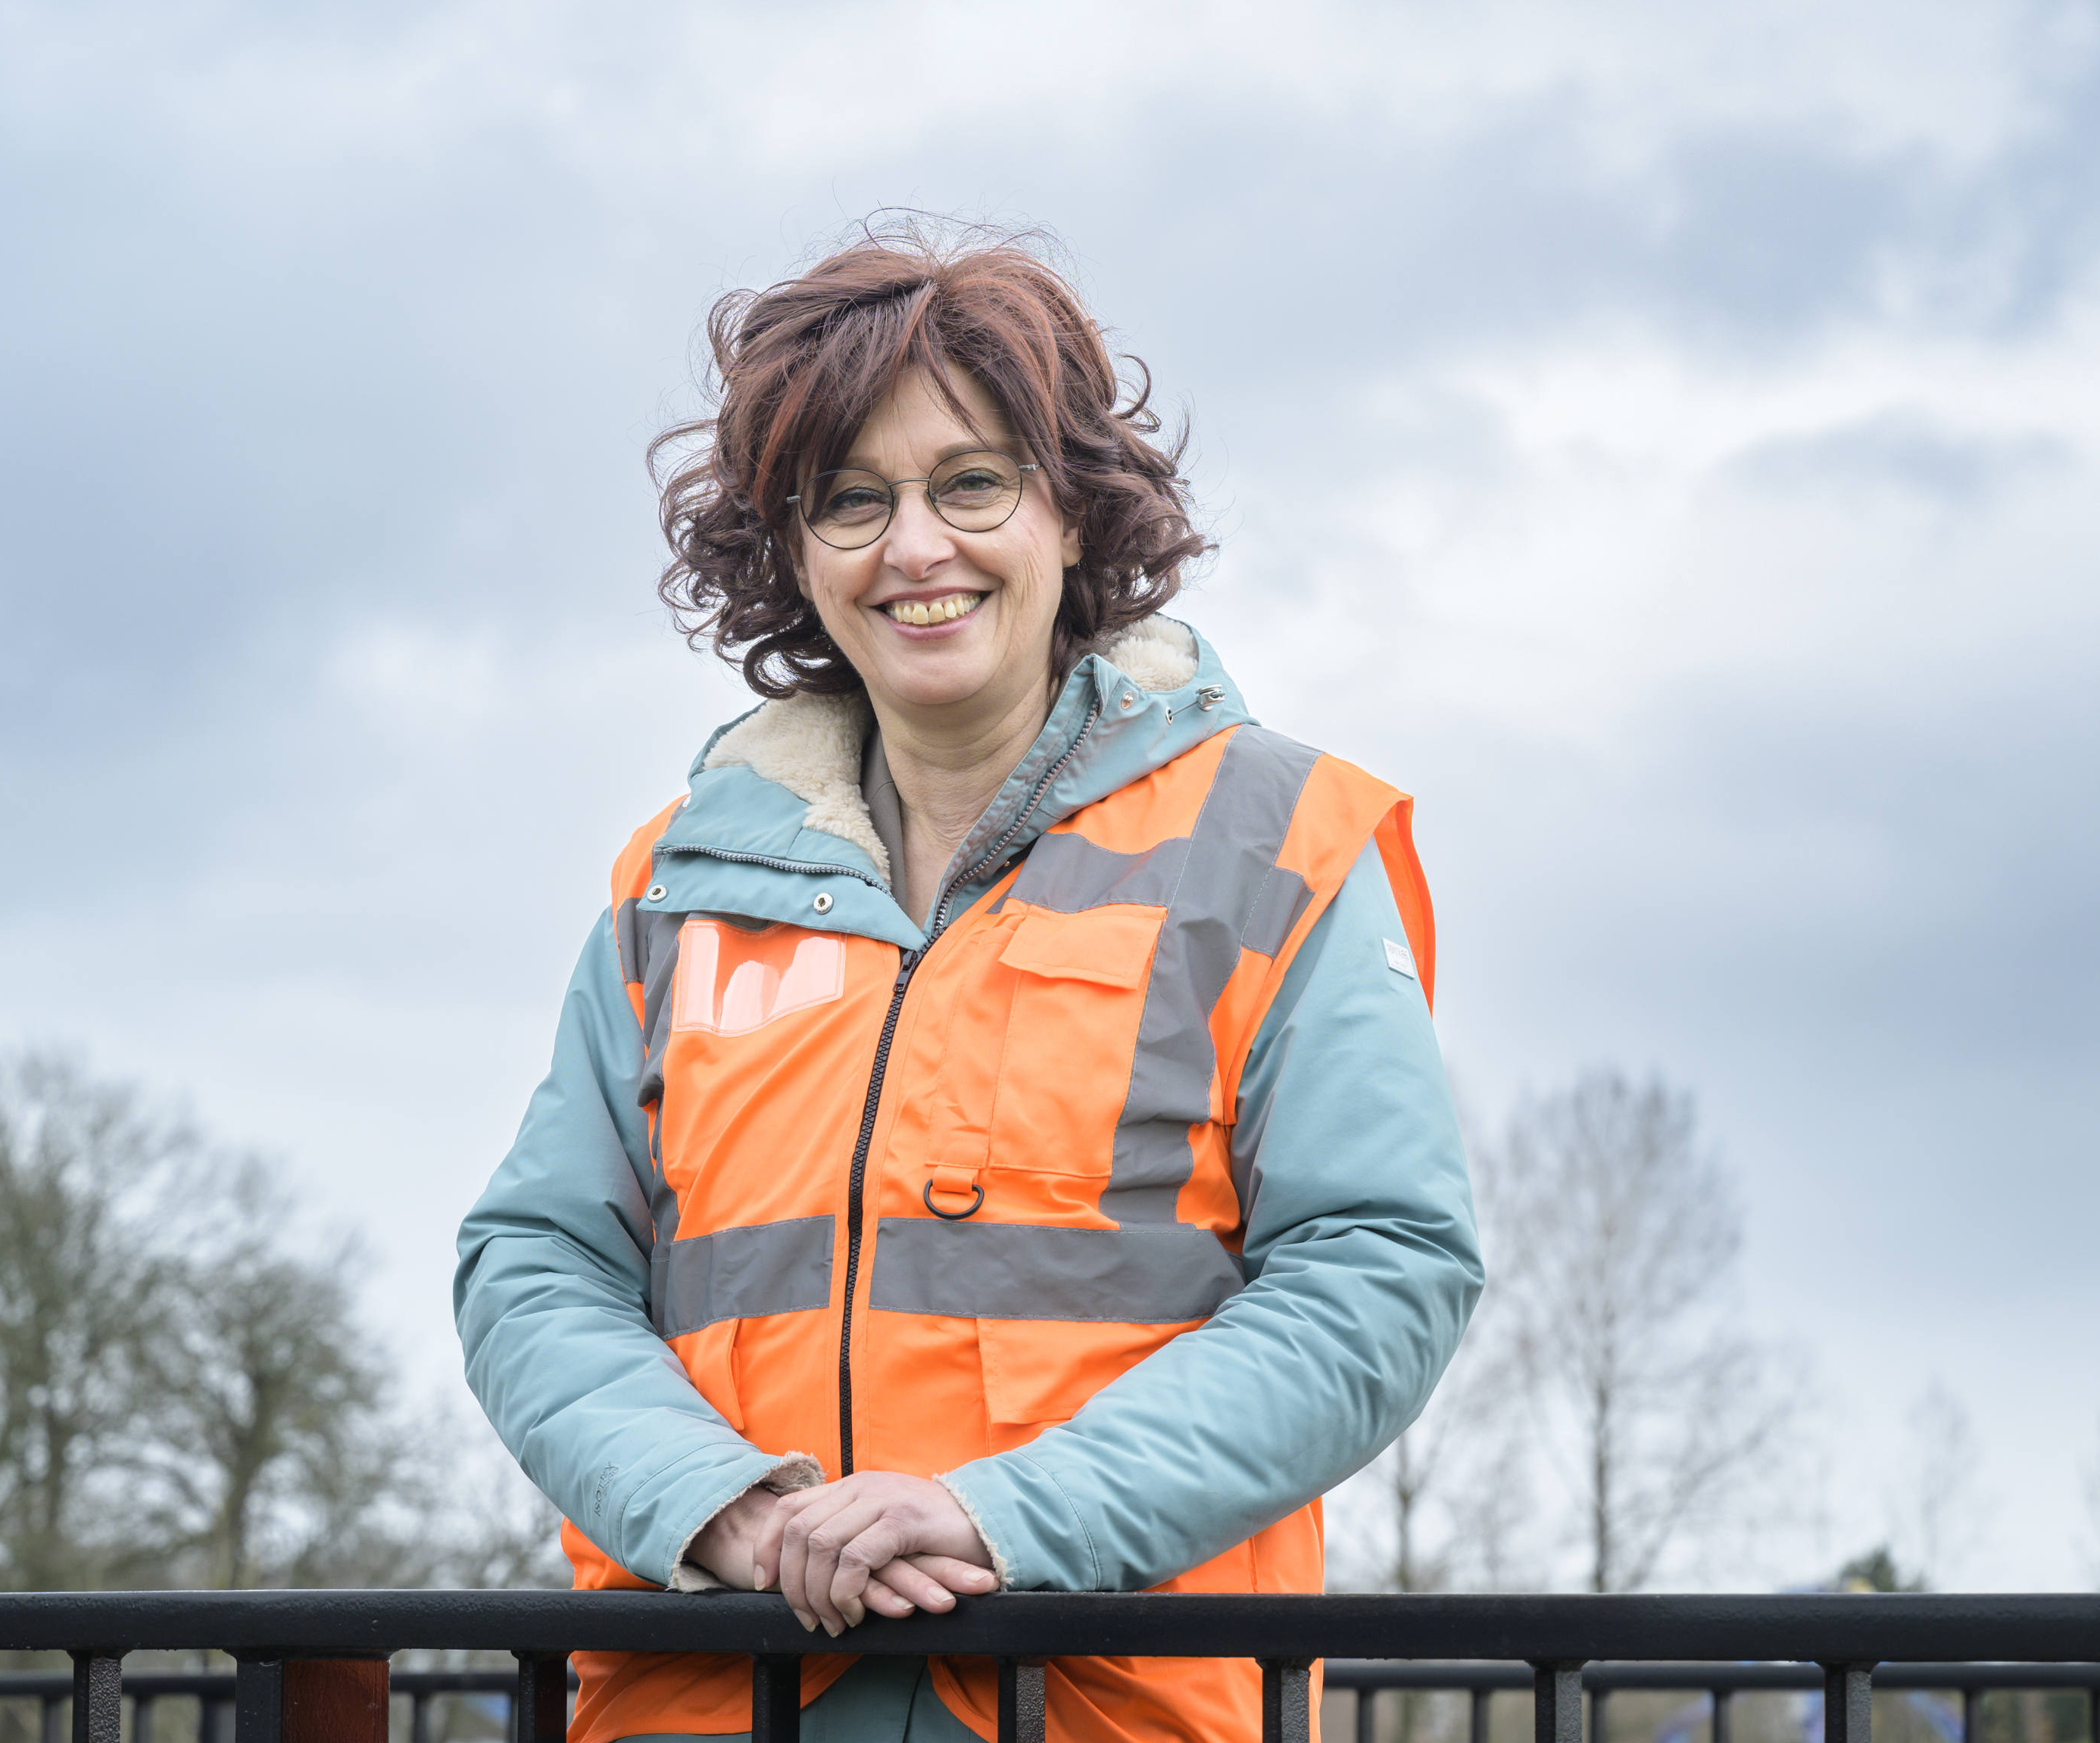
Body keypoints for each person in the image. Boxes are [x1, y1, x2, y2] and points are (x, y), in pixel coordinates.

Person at [453, 229, 1483, 1743]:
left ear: (1074, 508)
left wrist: (1002, 1518)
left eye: (972, 482)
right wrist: (722, 1508)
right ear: (791, 553)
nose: (914, 546)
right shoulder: (672, 881)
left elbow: (1381, 1265)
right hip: (709, 1708)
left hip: (1101, 1708)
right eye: (852, 501)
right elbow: (535, 1262)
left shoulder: (1280, 842)